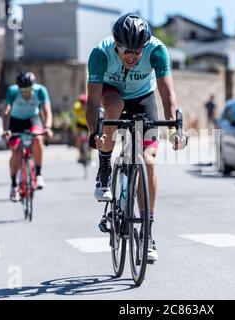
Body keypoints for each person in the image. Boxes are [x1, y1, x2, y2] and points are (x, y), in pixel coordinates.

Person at [86, 13, 188, 262]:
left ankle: (148, 231)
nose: (132, 57)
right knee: (113, 104)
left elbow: (168, 96)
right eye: (126, 51)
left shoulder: (156, 50)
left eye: (137, 51)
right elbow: (91, 103)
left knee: (149, 161)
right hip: (113, 94)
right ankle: (105, 167)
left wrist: (175, 130)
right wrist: (94, 133)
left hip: (144, 98)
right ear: (115, 45)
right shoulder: (100, 54)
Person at [2, 71, 53, 202]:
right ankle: (14, 185)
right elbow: (6, 111)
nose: (26, 93)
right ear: (18, 88)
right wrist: (6, 130)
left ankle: (38, 174)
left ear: (33, 87)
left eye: (29, 89)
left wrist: (47, 128)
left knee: (38, 138)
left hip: (32, 119)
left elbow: (47, 111)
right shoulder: (13, 91)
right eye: (23, 90)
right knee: (17, 151)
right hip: (15, 121)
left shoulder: (40, 90)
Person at [72, 94, 91, 163]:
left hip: (88, 124)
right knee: (79, 139)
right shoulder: (76, 107)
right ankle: (80, 154)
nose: (83, 106)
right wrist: (74, 130)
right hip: (80, 124)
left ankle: (89, 156)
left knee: (91, 139)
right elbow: (74, 119)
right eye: (82, 104)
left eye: (85, 104)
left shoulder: (90, 107)